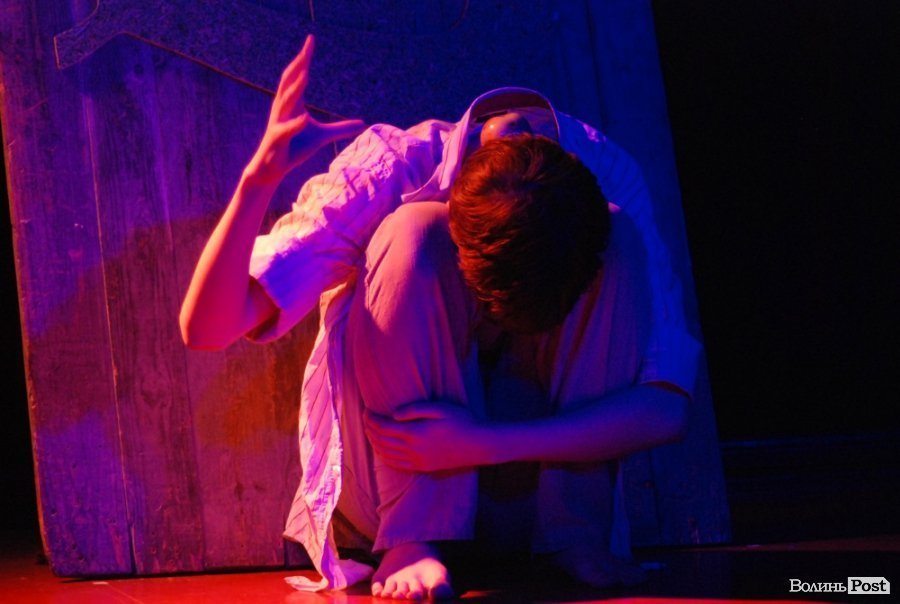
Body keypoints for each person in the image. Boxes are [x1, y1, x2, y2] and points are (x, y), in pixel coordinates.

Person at [180, 35, 701, 599]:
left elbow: (666, 407)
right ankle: (414, 538)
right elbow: (206, 330)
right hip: (392, 486)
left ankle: (574, 535)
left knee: (619, 235)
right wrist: (256, 183)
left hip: (529, 492)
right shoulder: (392, 168)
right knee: (411, 231)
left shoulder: (606, 173)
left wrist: (481, 442)